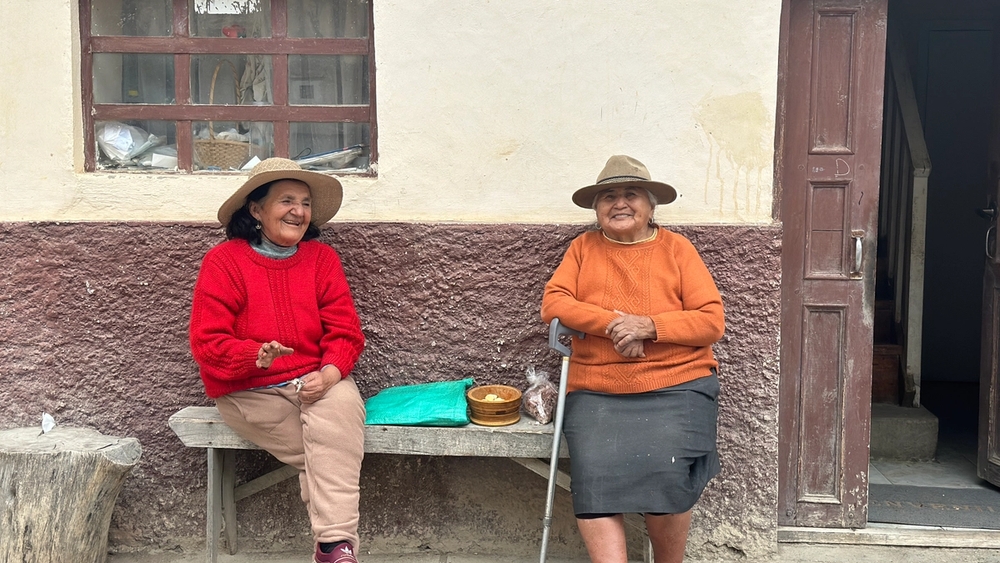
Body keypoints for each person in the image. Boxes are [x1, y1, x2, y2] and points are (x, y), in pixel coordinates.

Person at [540, 155, 725, 563]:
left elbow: (711, 321)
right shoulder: (583, 248)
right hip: (597, 388)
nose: (619, 203)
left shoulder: (677, 249)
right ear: (596, 208)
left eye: (630, 194)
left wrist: (650, 327)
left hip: (679, 384)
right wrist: (614, 325)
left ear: (650, 205)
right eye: (608, 196)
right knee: (595, 471)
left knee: (668, 467)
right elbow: (553, 304)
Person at [189, 157, 366, 563]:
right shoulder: (224, 262)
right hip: (250, 391)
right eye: (287, 200)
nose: (299, 211)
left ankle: (333, 548)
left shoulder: (322, 260)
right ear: (256, 209)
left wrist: (331, 371)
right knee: (332, 451)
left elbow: (346, 333)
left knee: (338, 417)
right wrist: (256, 355)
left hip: (317, 381)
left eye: (305, 203)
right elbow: (207, 343)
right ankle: (335, 549)